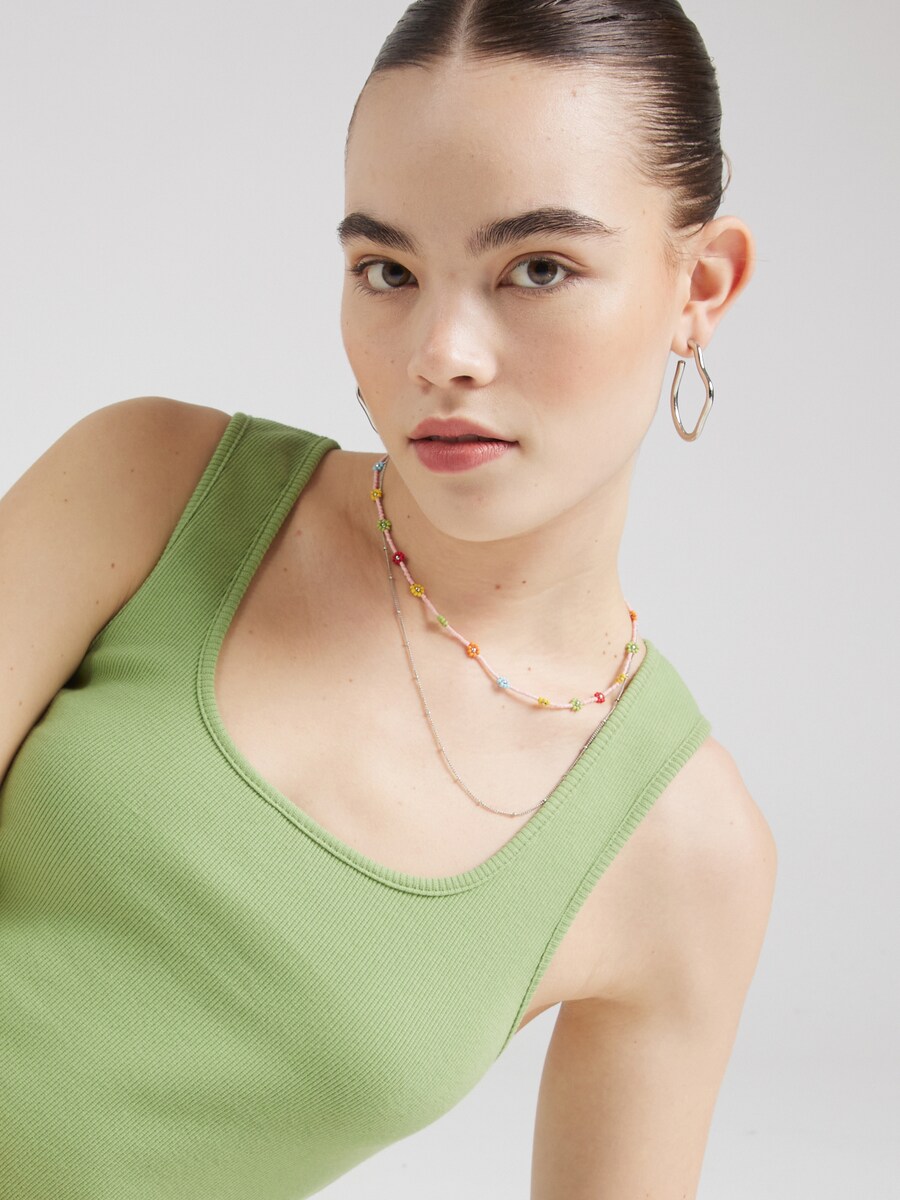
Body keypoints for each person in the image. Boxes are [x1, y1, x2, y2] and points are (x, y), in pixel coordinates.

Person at [0, 1, 777, 1197]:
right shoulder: (146, 488)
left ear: (702, 286)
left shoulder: (683, 848)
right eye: (388, 270)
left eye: (537, 268)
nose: (440, 352)